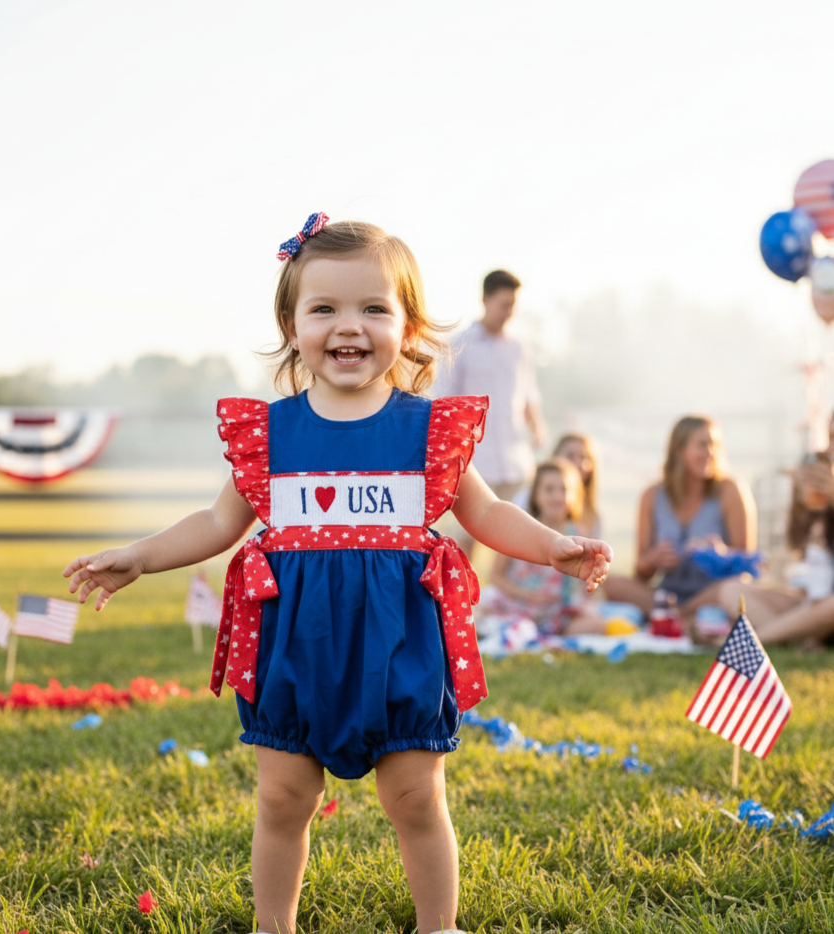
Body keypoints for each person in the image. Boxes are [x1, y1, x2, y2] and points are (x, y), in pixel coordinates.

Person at [63, 215, 612, 934]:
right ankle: (274, 925)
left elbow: (486, 511)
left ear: (408, 327)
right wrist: (138, 554)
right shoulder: (273, 434)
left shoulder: (427, 430)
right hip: (298, 642)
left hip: (399, 642)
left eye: (373, 308)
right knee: (283, 797)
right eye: (324, 308)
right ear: (292, 324)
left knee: (416, 795)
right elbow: (217, 523)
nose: (348, 326)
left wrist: (549, 545)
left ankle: (438, 926)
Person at [604, 415, 756, 618]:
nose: (710, 453)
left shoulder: (731, 490)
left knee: (736, 587)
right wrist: (653, 559)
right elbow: (640, 572)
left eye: (715, 445)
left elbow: (748, 565)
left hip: (713, 594)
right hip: (667, 593)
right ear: (679, 449)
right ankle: (678, 614)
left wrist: (719, 555)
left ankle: (678, 615)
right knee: (611, 584)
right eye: (702, 445)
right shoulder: (651, 496)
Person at [435, 270, 546, 525]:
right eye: (504, 305)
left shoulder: (520, 349)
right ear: (485, 300)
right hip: (475, 462)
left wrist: (538, 427)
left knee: (518, 534)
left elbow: (528, 395)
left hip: (516, 460)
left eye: (513, 306)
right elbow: (444, 401)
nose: (509, 312)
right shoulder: (459, 345)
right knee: (468, 534)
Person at [717, 451, 834, 645]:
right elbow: (813, 584)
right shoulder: (816, 502)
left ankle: (750, 640)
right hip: (815, 606)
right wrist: (803, 502)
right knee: (731, 590)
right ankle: (801, 636)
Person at [479, 458, 606, 636]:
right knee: (488, 617)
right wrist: (527, 595)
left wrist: (584, 600)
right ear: (536, 494)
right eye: (549, 489)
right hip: (518, 603)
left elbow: (588, 583)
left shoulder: (579, 535)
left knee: (596, 625)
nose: (557, 496)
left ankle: (545, 632)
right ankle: (520, 631)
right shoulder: (520, 528)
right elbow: (495, 576)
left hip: (558, 611)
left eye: (564, 490)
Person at [515, 433, 602, 538]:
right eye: (570, 456)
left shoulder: (589, 521)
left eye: (584, 457)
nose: (578, 463)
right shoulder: (524, 502)